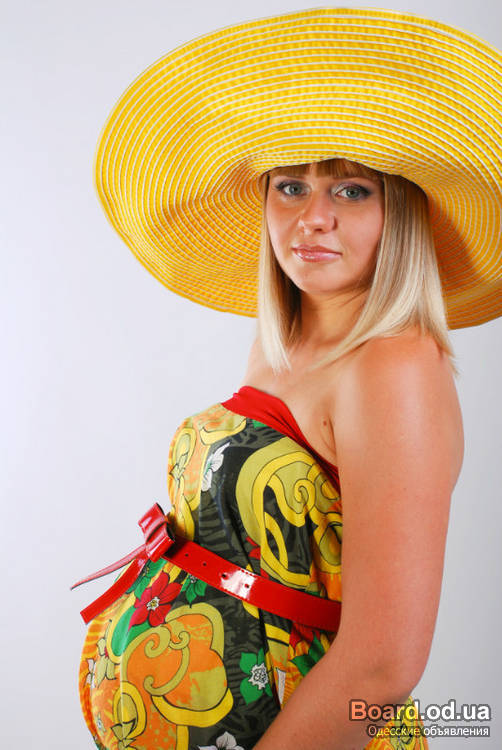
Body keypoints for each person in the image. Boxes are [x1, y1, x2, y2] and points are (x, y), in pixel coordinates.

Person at [74, 7, 502, 750]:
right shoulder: (281, 344)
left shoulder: (395, 366)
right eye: (291, 186)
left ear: (400, 212)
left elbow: (383, 665)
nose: (313, 218)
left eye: (351, 190)